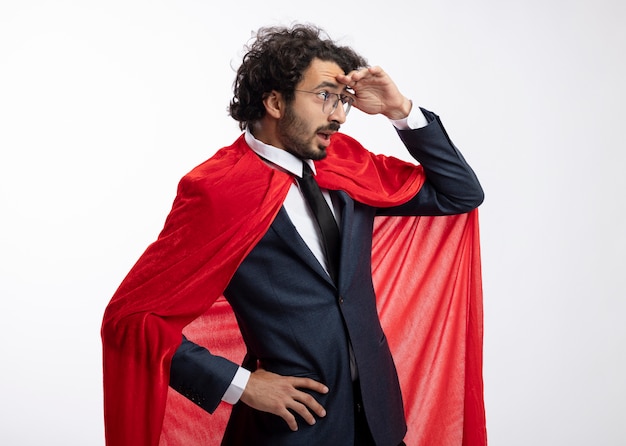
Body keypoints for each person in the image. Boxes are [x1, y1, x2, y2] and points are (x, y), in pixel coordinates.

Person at [101, 24, 487, 446]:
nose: (338, 115)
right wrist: (241, 384)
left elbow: (460, 193)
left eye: (343, 100)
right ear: (274, 102)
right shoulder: (216, 190)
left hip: (379, 422)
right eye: (324, 95)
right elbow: (129, 319)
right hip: (291, 432)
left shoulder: (347, 164)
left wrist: (401, 110)